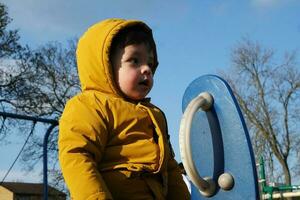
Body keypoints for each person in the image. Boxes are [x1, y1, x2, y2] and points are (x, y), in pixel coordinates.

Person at [58, 18, 190, 200]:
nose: (146, 69)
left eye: (150, 63)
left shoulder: (154, 115)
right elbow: (77, 158)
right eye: (134, 60)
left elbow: (169, 168)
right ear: (105, 66)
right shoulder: (90, 106)